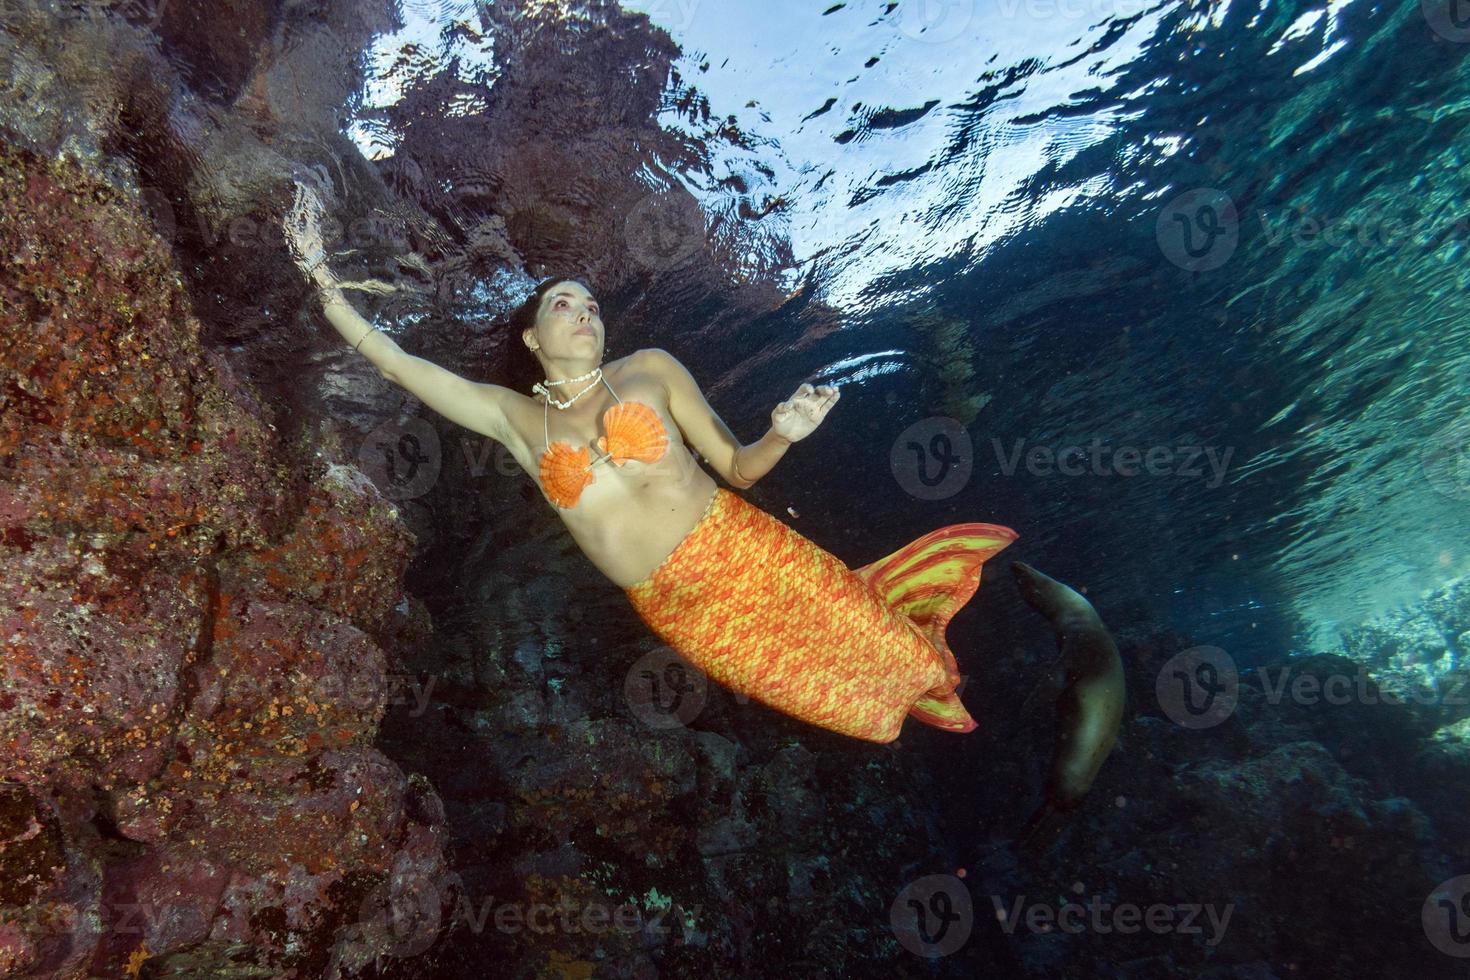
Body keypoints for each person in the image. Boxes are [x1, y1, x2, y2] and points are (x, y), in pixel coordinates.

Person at [284, 176, 1019, 744]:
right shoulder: (516, 419)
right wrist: (321, 279)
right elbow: (400, 364)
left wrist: (785, 433)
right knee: (826, 696)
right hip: (678, 609)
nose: (584, 312)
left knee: (905, 657)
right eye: (563, 305)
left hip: (743, 552)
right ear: (534, 340)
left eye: (592, 304)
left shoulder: (651, 369)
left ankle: (977, 679)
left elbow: (737, 469)